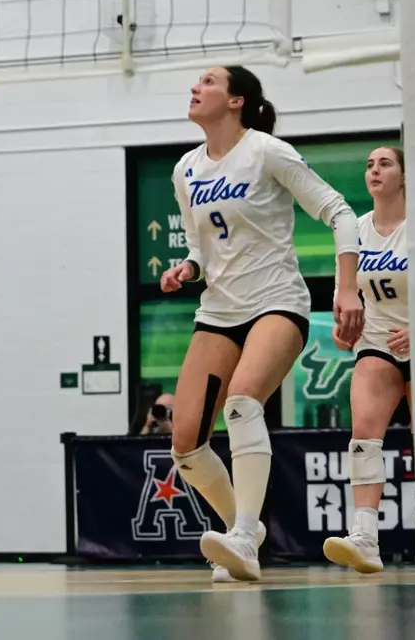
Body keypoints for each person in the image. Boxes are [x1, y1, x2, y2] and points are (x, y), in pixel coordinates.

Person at [159, 66, 362, 583]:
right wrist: (187, 268)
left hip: (276, 302)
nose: (195, 87)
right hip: (219, 311)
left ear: (236, 100)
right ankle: (239, 532)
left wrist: (346, 287)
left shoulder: (267, 150)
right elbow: (198, 247)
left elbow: (339, 213)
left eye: (207, 81)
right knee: (185, 443)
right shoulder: (186, 169)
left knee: (243, 400)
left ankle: (246, 533)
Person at [324, 146, 408, 575]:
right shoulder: (354, 231)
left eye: (385, 163)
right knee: (363, 436)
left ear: (405, 176)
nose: (374, 170)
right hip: (378, 343)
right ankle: (366, 537)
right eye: (369, 165)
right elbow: (347, 299)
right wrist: (344, 329)